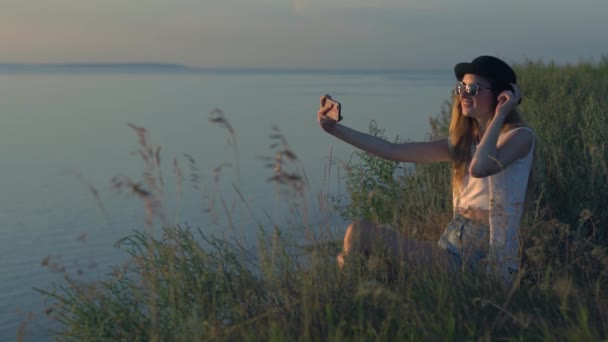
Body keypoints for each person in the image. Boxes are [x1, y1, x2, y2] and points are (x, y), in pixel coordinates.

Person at [317, 55, 535, 284]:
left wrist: (500, 115)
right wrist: (335, 130)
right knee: (355, 258)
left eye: (472, 88)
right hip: (450, 243)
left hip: (479, 258)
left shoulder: (519, 137)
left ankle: (346, 299)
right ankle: (353, 299)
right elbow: (392, 151)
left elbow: (480, 167)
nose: (463, 94)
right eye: (461, 87)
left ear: (502, 96)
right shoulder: (462, 143)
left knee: (359, 232)